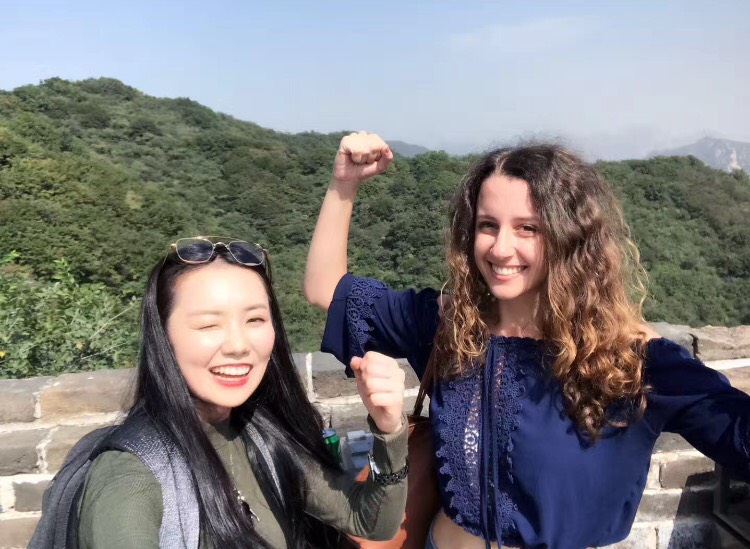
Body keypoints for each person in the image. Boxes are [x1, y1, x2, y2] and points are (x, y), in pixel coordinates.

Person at [304, 133, 750, 549]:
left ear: (569, 238)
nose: (500, 248)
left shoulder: (630, 362)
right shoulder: (448, 325)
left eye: (528, 228)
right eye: (487, 225)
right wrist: (344, 185)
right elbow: (327, 289)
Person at [76, 236, 409, 549]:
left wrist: (389, 429)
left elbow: (368, 520)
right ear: (163, 336)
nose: (238, 346)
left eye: (254, 320)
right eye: (209, 325)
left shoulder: (258, 434)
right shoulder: (130, 478)